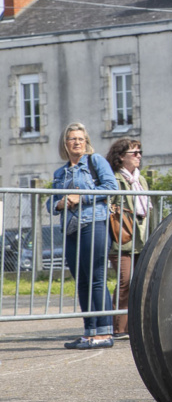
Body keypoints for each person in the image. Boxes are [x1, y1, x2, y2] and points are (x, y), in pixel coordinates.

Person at [49, 122, 116, 349]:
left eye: (81, 139)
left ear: (86, 142)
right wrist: (60, 203)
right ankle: (90, 332)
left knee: (97, 278)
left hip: (94, 223)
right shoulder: (60, 172)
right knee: (83, 282)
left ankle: (104, 333)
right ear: (65, 144)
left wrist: (82, 197)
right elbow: (50, 203)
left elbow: (111, 187)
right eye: (72, 139)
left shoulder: (95, 161)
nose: (77, 142)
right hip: (70, 229)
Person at [106, 138, 151, 340]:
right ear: (121, 157)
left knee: (140, 283)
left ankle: (135, 326)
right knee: (126, 281)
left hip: (141, 239)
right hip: (121, 240)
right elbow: (108, 206)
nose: (139, 156)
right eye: (134, 152)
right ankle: (119, 328)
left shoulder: (140, 180)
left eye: (140, 152)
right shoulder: (115, 179)